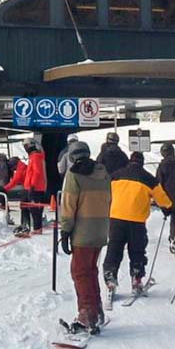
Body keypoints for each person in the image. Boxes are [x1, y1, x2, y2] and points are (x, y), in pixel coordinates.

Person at [103, 150, 173, 297]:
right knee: (137, 251)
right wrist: (168, 208)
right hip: (136, 221)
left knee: (114, 249)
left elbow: (105, 192)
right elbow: (162, 199)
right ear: (142, 163)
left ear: (130, 161)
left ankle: (110, 278)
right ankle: (136, 279)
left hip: (116, 218)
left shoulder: (115, 176)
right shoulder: (148, 179)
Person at [58, 141, 111, 335]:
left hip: (83, 232)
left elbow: (69, 206)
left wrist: (65, 231)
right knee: (90, 271)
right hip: (100, 230)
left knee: (80, 273)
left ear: (72, 157)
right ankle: (96, 311)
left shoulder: (74, 175)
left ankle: (87, 317)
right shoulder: (103, 173)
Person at [15, 139, 47, 236]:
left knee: (34, 208)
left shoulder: (36, 157)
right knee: (24, 205)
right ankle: (25, 225)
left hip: (35, 188)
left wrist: (32, 185)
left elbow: (37, 172)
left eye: (26, 146)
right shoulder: (33, 156)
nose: (25, 149)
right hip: (29, 186)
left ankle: (37, 228)